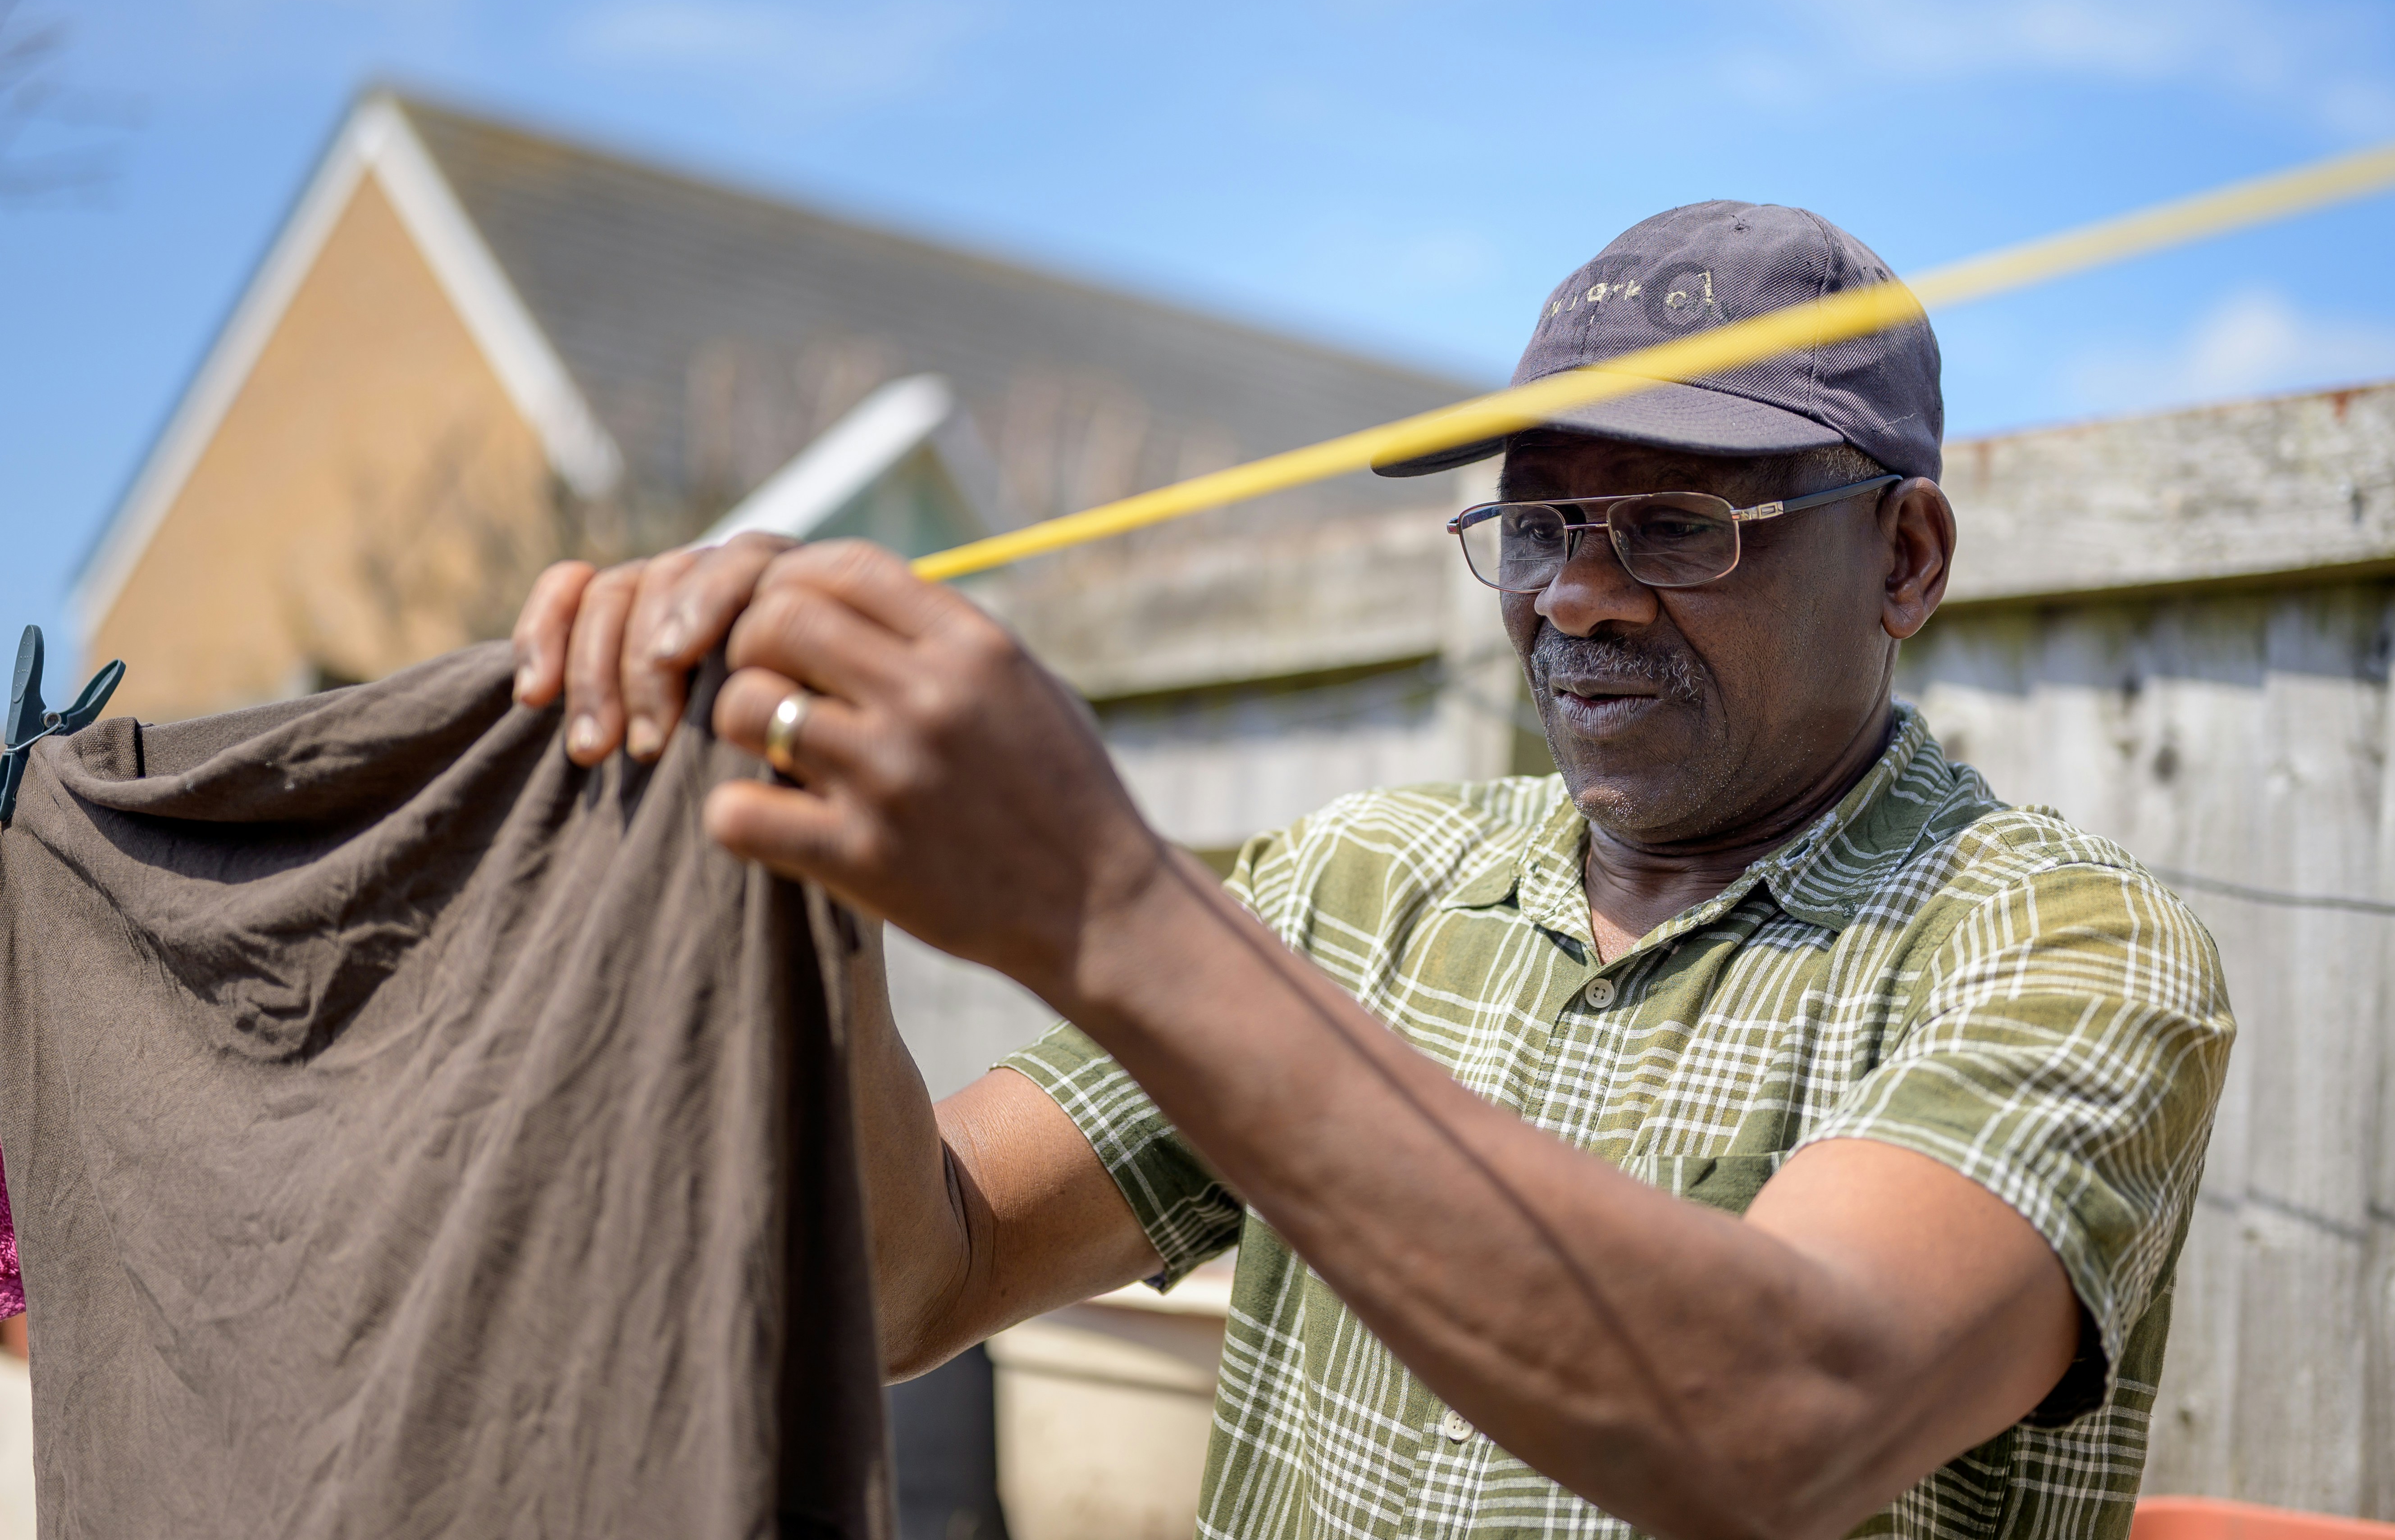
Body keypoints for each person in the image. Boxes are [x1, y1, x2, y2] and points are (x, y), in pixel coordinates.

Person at [512, 202, 2231, 1540]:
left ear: (1906, 557)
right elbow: (920, 1275)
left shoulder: (2061, 949)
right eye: (1540, 524)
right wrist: (797, 846)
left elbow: (1783, 1422)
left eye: (1679, 525)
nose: (1578, 596)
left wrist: (1113, 913)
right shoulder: (1363, 883)